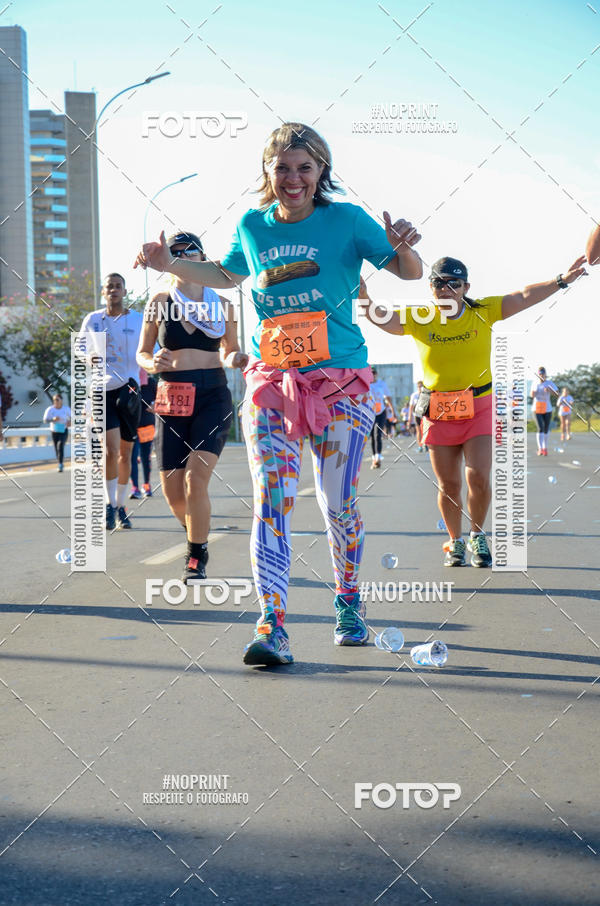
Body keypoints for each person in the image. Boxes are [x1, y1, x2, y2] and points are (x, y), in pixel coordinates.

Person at [135, 122, 422, 665]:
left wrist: (405, 249)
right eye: (283, 167)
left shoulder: (347, 220)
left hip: (341, 384)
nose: (293, 178)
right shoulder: (252, 223)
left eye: (304, 168)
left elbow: (409, 272)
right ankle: (273, 625)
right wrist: (168, 263)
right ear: (268, 171)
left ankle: (349, 603)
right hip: (272, 382)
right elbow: (224, 272)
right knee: (272, 502)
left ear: (321, 173)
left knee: (338, 503)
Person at [363, 254, 586, 567]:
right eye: (439, 283)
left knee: (478, 476)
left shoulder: (483, 310)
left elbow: (522, 296)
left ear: (465, 286)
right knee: (449, 484)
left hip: (479, 405)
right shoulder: (420, 317)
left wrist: (561, 280)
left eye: (453, 283)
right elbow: (381, 317)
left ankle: (477, 535)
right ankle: (455, 542)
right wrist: (360, 293)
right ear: (431, 287)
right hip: (438, 409)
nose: (446, 289)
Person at [136, 231, 248, 583]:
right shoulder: (159, 300)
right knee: (172, 490)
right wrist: (153, 364)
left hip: (213, 394)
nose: (184, 256)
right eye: (176, 252)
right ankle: (196, 531)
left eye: (191, 251)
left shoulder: (224, 305)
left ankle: (195, 556)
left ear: (202, 258)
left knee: (195, 478)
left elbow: (230, 349)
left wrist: (237, 357)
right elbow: (142, 352)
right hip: (172, 395)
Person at [79, 273, 143, 531]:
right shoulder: (93, 320)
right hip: (101, 390)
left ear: (124, 291)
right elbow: (79, 348)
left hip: (129, 389)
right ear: (103, 292)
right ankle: (108, 505)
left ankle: (120, 505)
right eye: (109, 287)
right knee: (110, 451)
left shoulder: (138, 319)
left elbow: (154, 346)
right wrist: (87, 357)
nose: (114, 290)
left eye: (118, 286)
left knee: (126, 454)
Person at [130, 369, 157, 498]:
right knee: (132, 457)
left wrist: (155, 406)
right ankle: (134, 487)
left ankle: (146, 485)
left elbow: (161, 400)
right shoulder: (129, 383)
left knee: (145, 457)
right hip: (130, 426)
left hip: (146, 426)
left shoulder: (151, 383)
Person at [531, 367, 559, 456]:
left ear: (545, 374)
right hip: (537, 408)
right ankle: (540, 448)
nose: (542, 375)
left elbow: (557, 393)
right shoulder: (535, 383)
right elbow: (532, 395)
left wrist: (550, 390)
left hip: (547, 408)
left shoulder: (549, 383)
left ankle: (544, 448)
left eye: (543, 374)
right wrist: (534, 391)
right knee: (540, 427)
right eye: (540, 374)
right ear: (538, 375)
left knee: (546, 428)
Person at [370, 367, 394, 468]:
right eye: (370, 373)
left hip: (381, 412)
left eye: (374, 373)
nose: (372, 374)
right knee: (372, 436)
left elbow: (388, 397)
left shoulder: (381, 384)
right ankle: (374, 457)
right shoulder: (365, 383)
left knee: (377, 434)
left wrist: (393, 411)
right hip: (370, 412)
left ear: (377, 374)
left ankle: (378, 457)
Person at [43, 393, 71, 472]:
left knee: (60, 445)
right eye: (54, 400)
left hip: (63, 430)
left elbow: (74, 418)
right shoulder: (50, 409)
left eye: (57, 399)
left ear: (61, 400)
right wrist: (53, 419)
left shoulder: (66, 409)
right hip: (54, 431)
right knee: (56, 448)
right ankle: (60, 462)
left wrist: (70, 422)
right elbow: (45, 420)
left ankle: (60, 464)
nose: (55, 401)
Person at [408, 380, 427, 451]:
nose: (420, 388)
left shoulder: (426, 395)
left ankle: (426, 444)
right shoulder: (414, 395)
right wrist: (409, 418)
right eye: (419, 387)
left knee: (425, 430)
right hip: (416, 415)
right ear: (417, 387)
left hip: (425, 415)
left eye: (421, 386)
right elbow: (411, 407)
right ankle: (420, 445)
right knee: (418, 430)